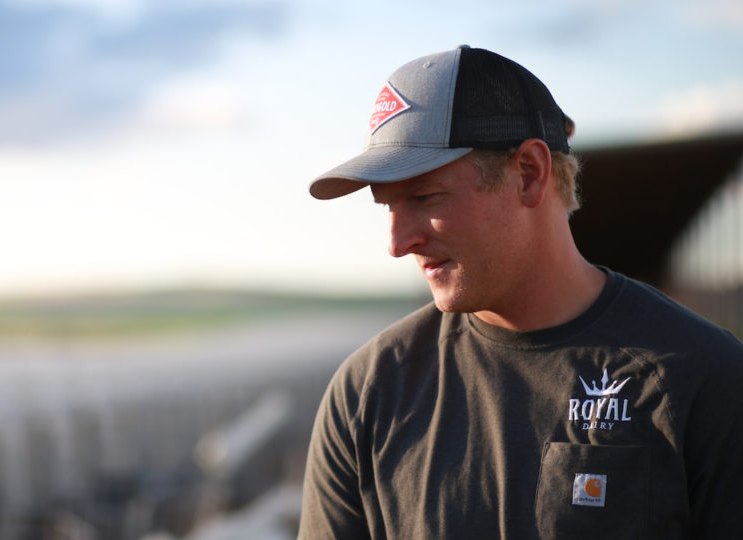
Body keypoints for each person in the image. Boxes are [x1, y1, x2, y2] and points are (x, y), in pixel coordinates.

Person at [297, 45, 743, 539]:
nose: (397, 243)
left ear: (529, 173)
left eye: (423, 197)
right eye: (388, 207)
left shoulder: (704, 381)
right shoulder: (368, 395)